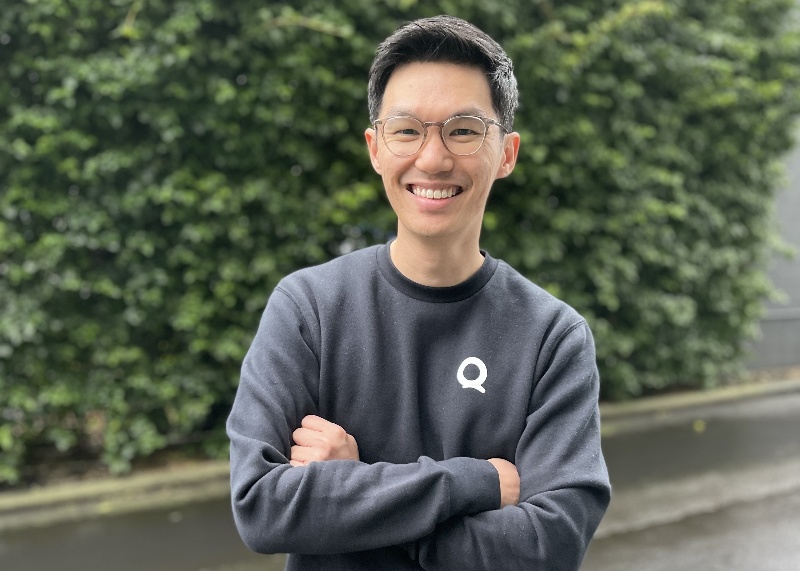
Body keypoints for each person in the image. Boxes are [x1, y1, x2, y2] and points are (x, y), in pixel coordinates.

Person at [227, 14, 610, 571]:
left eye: (464, 130)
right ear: (375, 148)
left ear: (506, 153)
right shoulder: (309, 309)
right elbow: (261, 506)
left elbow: (547, 548)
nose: (432, 159)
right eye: (406, 130)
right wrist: (474, 482)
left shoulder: (552, 338)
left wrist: (354, 494)